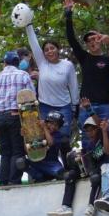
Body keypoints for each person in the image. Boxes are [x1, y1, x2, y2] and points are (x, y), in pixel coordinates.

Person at [24, 21, 79, 157]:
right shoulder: (42, 63)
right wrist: (28, 25)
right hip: (44, 106)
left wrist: (75, 106)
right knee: (44, 137)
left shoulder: (67, 65)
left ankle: (69, 167)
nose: (50, 51)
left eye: (52, 48)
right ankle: (52, 169)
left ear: (58, 49)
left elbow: (73, 86)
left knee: (64, 139)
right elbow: (34, 43)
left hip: (64, 106)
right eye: (46, 50)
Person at [64, 0, 109, 135]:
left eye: (95, 39)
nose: (92, 42)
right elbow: (71, 39)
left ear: (100, 40)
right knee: (89, 140)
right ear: (87, 44)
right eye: (89, 41)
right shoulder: (85, 57)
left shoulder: (108, 59)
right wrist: (68, 13)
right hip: (87, 105)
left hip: (106, 104)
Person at [0, 51, 33, 185]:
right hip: (16, 116)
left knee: (5, 151)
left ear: (5, 63)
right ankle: (14, 181)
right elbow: (31, 98)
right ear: (18, 63)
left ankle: (3, 181)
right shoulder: (23, 75)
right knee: (17, 150)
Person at [48, 116, 109, 216]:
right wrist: (79, 157)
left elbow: (100, 123)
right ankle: (66, 206)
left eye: (92, 130)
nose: (90, 133)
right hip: (90, 168)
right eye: (88, 131)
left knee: (95, 178)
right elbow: (85, 160)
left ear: (97, 129)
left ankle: (91, 205)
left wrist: (89, 110)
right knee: (70, 175)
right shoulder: (88, 144)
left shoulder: (103, 137)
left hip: (103, 167)